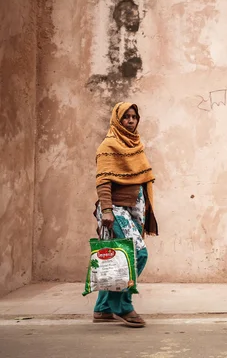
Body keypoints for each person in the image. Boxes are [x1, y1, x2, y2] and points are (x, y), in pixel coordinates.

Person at [92, 102, 158, 328]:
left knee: (117, 257)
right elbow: (103, 180)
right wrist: (107, 210)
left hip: (134, 209)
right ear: (117, 121)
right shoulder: (108, 145)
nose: (130, 121)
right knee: (137, 254)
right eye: (126, 117)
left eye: (134, 117)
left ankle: (102, 309)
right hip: (116, 209)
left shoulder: (136, 144)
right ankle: (121, 304)